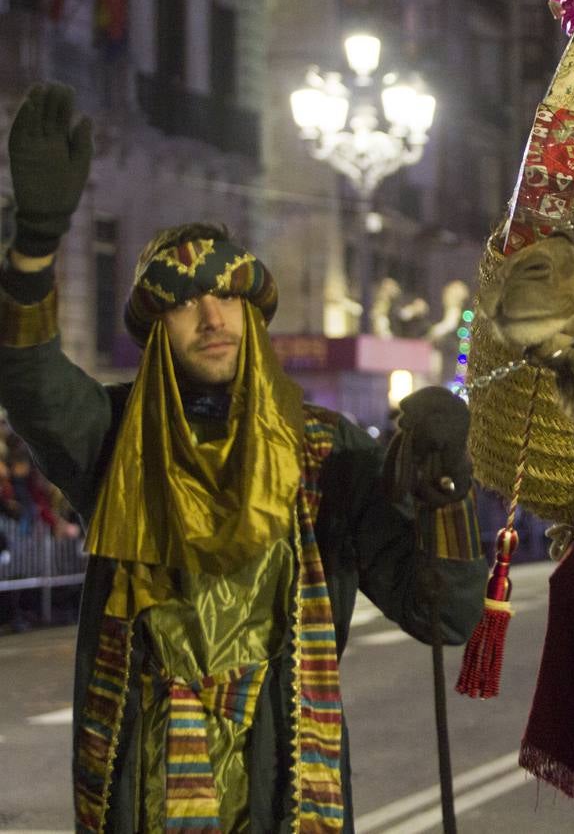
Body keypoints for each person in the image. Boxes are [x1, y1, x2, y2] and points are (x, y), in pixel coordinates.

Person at [0, 82, 488, 831]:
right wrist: (33, 246)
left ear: (256, 315)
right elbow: (28, 376)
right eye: (187, 299)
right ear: (157, 324)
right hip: (148, 775)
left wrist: (447, 489)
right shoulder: (113, 436)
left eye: (229, 295)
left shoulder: (324, 452)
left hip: (282, 774)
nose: (212, 314)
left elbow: (443, 614)